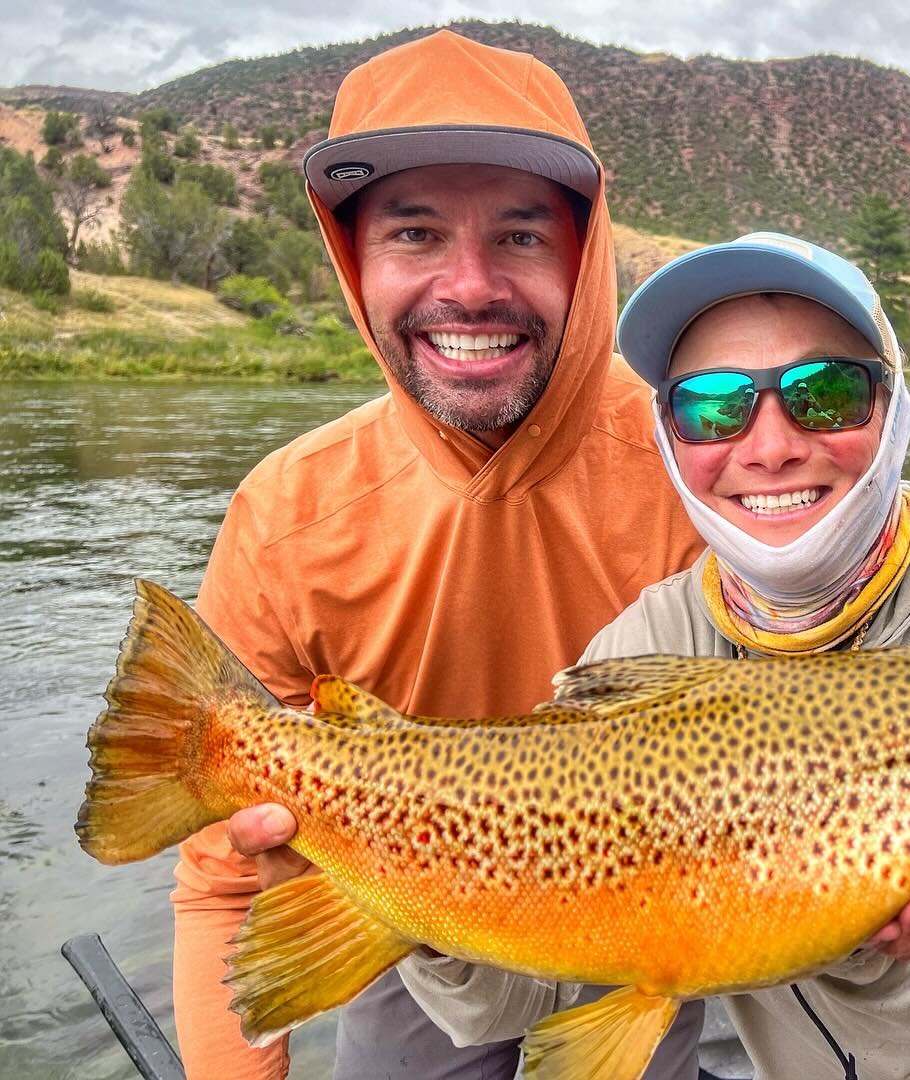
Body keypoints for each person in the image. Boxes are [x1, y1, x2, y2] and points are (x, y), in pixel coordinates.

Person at [398, 233, 910, 1078]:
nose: (769, 446)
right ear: (670, 440)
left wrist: (865, 955)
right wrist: (379, 855)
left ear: (894, 409)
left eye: (824, 393)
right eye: (713, 406)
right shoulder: (649, 645)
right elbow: (503, 1004)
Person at [172, 30, 709, 1080]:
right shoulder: (287, 517)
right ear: (353, 262)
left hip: (668, 917)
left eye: (519, 237)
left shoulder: (708, 469)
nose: (468, 287)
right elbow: (225, 871)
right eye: (415, 234)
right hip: (403, 931)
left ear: (584, 254)